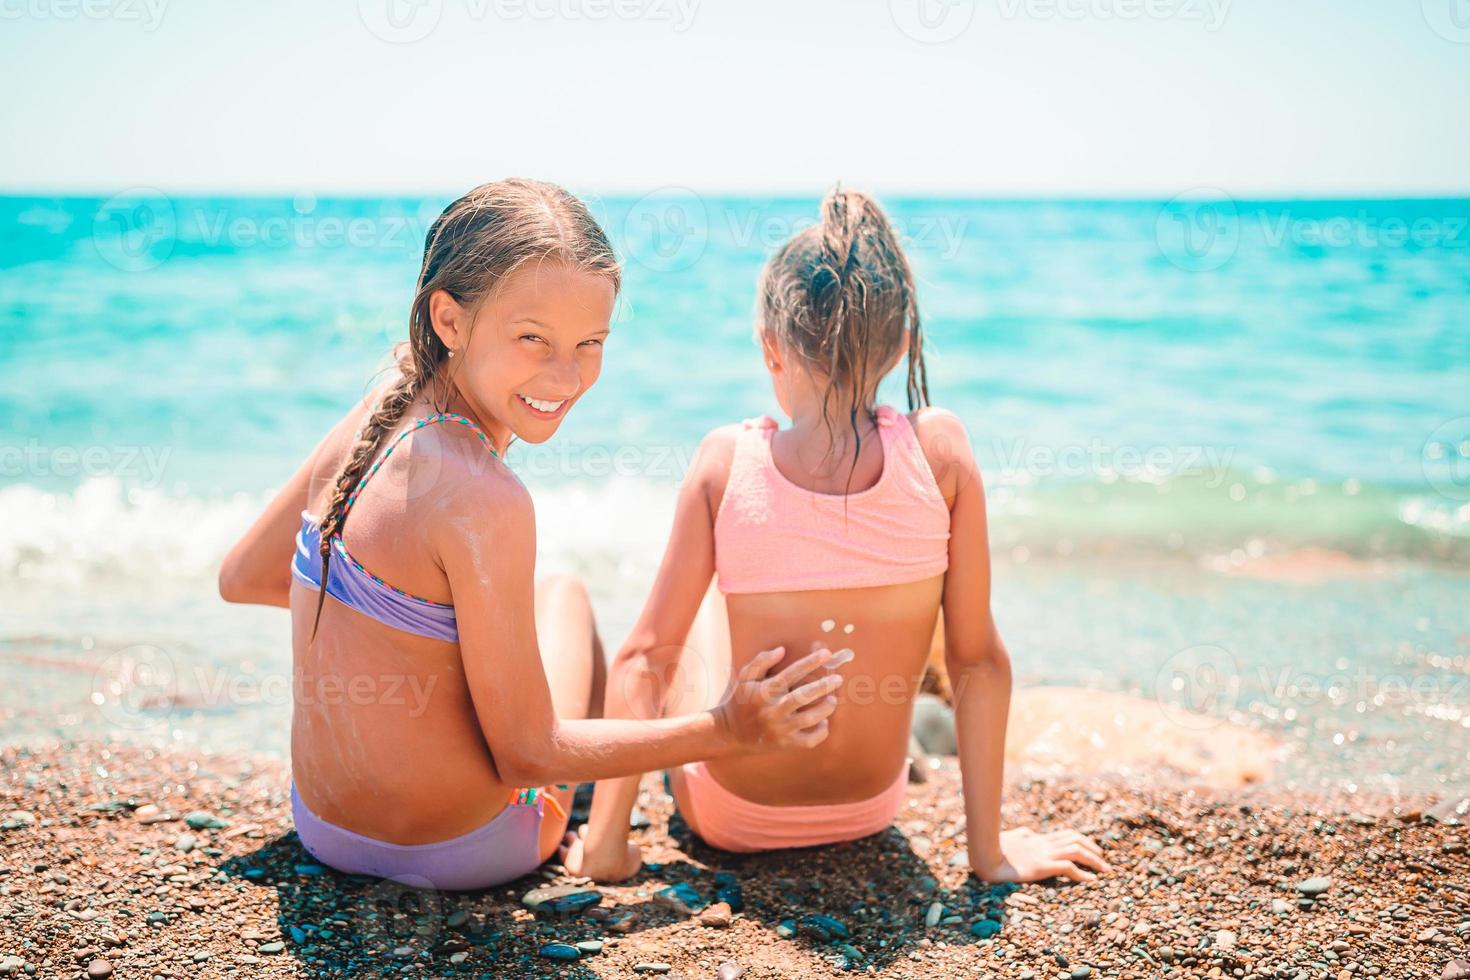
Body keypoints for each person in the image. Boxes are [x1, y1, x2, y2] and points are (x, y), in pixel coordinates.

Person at [218, 178, 843, 891]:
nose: (567, 374)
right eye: (532, 339)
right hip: (459, 846)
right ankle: (605, 840)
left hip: (323, 824)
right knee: (567, 597)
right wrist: (727, 727)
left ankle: (598, 819)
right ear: (449, 320)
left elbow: (246, 577)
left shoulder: (380, 409)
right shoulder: (485, 496)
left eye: (591, 343)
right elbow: (526, 756)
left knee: (542, 597)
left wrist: (408, 652)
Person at [571, 188, 1111, 884]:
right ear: (902, 344)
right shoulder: (941, 451)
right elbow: (978, 661)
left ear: (772, 347)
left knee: (696, 611)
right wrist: (992, 855)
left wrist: (610, 849)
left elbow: (646, 660)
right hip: (868, 810)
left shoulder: (725, 462)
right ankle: (918, 756)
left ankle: (599, 823)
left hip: (733, 814)